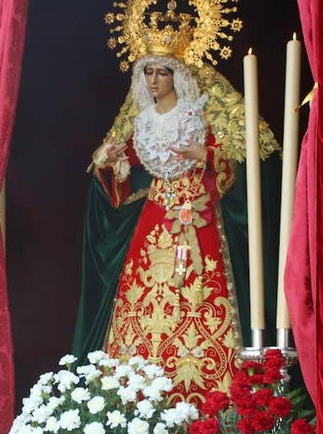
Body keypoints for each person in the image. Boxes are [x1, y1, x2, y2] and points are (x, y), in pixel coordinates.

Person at [73, 51, 245, 403]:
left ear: (176, 76)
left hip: (196, 218)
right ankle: (138, 395)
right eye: (148, 72)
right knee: (142, 300)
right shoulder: (143, 122)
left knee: (198, 293)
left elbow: (233, 166)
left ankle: (207, 391)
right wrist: (110, 162)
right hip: (154, 220)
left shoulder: (197, 116)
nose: (153, 80)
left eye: (162, 72)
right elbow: (128, 176)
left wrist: (205, 156)